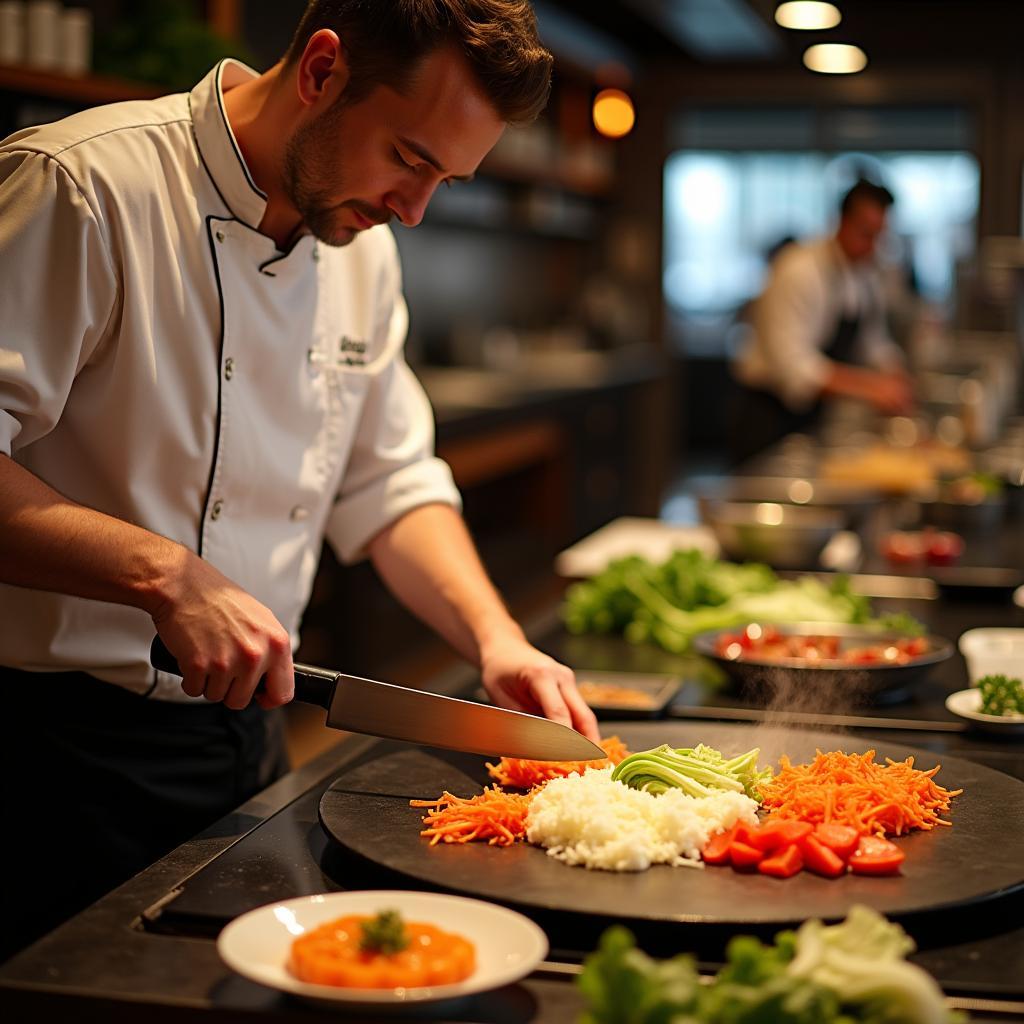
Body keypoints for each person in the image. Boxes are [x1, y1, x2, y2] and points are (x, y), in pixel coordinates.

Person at [0, 0, 600, 958]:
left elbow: (391, 482)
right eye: (409, 158)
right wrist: (166, 575)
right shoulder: (86, 186)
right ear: (322, 68)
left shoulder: (362, 253)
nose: (415, 208)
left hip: (252, 733)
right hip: (50, 753)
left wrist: (495, 642)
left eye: (446, 178)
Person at [729, 179, 914, 465]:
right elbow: (795, 370)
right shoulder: (797, 270)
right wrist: (871, 387)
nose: (873, 247)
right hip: (767, 416)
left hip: (812, 418)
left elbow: (873, 342)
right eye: (866, 234)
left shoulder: (864, 277)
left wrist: (894, 375)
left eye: (880, 236)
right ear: (840, 221)